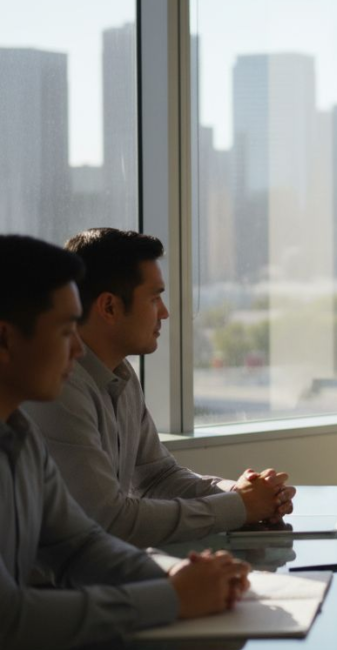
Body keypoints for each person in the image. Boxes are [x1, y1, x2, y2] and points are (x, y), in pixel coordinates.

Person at [0, 234, 251, 648]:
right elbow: (9, 620)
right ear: (6, 339)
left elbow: (78, 545)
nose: (79, 349)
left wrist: (179, 578)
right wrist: (170, 597)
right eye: (66, 331)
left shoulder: (20, 437)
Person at [23, 228, 295, 548]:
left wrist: (239, 494)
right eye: (154, 298)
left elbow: (156, 477)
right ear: (109, 307)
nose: (164, 312)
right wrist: (238, 507)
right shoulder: (58, 390)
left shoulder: (121, 375)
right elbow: (109, 521)